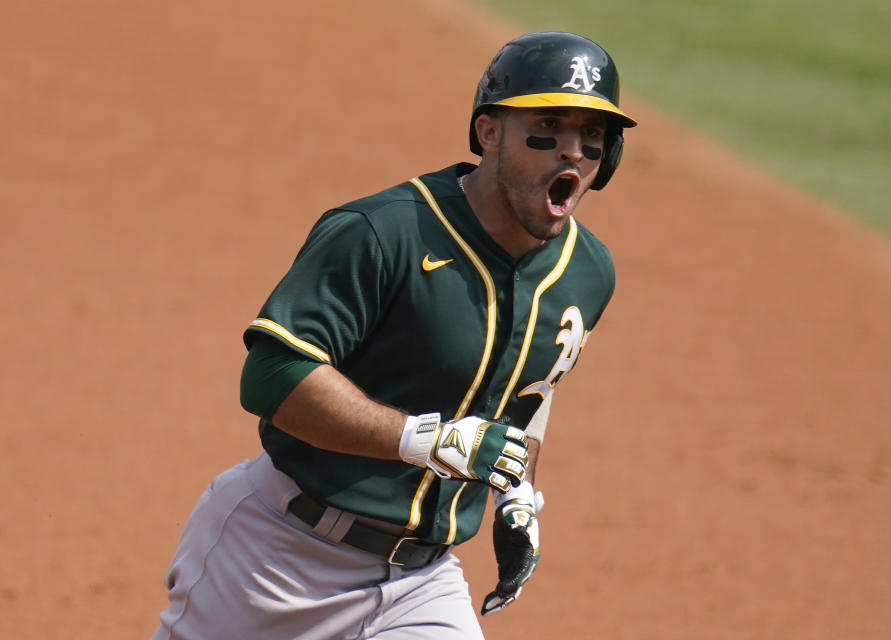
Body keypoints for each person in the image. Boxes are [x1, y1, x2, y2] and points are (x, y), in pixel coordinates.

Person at [151, 30, 637, 639]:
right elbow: (273, 376)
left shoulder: (588, 273)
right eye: (548, 126)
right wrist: (421, 439)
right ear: (489, 134)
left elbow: (529, 394)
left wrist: (515, 496)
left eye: (593, 137)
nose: (572, 152)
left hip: (419, 584)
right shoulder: (383, 232)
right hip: (277, 558)